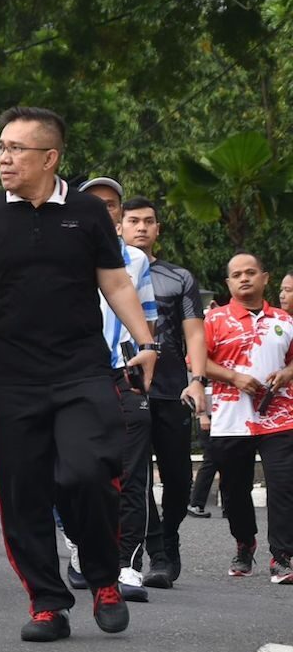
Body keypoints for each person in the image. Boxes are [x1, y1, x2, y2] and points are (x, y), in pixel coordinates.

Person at [0, 106, 157, 643]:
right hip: (11, 376)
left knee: (87, 473)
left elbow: (115, 284)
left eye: (16, 148)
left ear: (50, 157)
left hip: (81, 371)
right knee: (22, 492)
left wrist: (148, 341)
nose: (4, 157)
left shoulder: (88, 213)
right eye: (0, 147)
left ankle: (103, 577)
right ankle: (47, 602)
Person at [70, 176, 158, 603]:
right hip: (71, 376)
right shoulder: (61, 249)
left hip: (121, 374)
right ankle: (78, 544)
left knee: (131, 472)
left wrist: (147, 355)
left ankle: (125, 563)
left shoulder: (136, 259)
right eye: (95, 203)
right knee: (73, 473)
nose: (104, 211)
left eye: (111, 205)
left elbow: (147, 317)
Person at [117, 196, 208, 589]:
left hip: (172, 387)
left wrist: (198, 379)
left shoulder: (178, 277)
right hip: (127, 387)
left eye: (148, 221)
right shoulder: (108, 271)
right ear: (119, 226)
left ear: (158, 230)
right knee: (135, 475)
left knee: (177, 478)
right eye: (132, 220)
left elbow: (194, 331)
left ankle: (169, 534)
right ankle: (158, 551)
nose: (141, 227)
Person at [203, 253, 293, 584]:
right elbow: (196, 361)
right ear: (228, 283)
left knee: (284, 487)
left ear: (265, 277)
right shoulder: (214, 320)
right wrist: (233, 378)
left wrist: (286, 373)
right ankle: (245, 543)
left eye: (251, 272)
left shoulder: (285, 319)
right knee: (234, 490)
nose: (244, 278)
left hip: (280, 418)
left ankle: (282, 557)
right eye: (237, 274)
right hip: (231, 420)